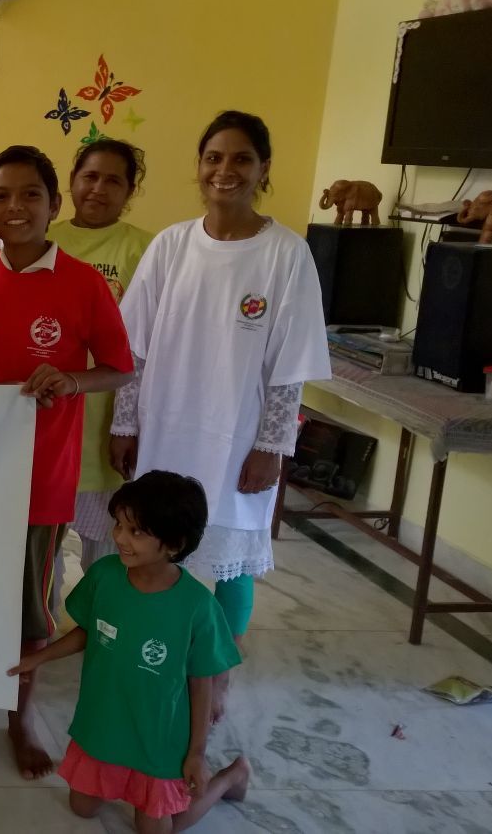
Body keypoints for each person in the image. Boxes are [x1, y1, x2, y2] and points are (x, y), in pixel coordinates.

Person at [110, 111, 330, 723]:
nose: (224, 171)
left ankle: (218, 674)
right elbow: (133, 349)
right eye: (213, 158)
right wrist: (125, 423)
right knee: (157, 546)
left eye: (240, 160)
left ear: (263, 171)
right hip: (165, 426)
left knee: (231, 553)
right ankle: (152, 658)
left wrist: (273, 446)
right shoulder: (173, 245)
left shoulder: (286, 255)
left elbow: (290, 367)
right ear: (199, 166)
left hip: (238, 435)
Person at [0, 146, 133, 782]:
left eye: (29, 195)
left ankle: (18, 720)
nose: (14, 208)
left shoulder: (81, 282)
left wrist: (73, 381)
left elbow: (119, 367)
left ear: (55, 204)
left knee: (30, 611)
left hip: (40, 478)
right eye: (0, 196)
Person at [9, 472, 251, 833]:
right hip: (104, 725)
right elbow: (89, 632)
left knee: (157, 829)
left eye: (136, 532)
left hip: (159, 739)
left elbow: (202, 684)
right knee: (82, 807)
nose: (120, 538)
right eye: (119, 525)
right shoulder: (104, 575)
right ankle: (122, 780)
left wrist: (196, 754)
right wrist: (38, 658)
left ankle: (231, 776)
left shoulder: (198, 608)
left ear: (173, 543)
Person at [46, 140, 156, 573]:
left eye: (114, 181)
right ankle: (42, 630)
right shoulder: (43, 239)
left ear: (130, 191)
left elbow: (146, 348)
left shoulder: (146, 250)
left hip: (109, 422)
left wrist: (127, 426)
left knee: (109, 546)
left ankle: (103, 629)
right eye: (89, 177)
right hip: (50, 417)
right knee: (42, 550)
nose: (98, 189)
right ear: (71, 182)